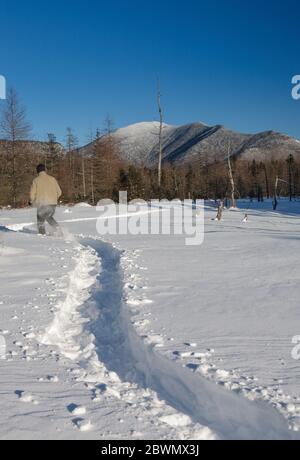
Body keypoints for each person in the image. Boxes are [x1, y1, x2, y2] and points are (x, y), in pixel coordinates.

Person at [30, 164, 62, 235]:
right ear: (45, 170)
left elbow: (32, 194)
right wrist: (54, 198)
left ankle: (42, 235)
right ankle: (58, 229)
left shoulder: (36, 180)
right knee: (48, 216)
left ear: (37, 171)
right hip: (53, 203)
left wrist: (32, 201)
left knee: (40, 220)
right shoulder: (52, 179)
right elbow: (59, 192)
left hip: (42, 203)